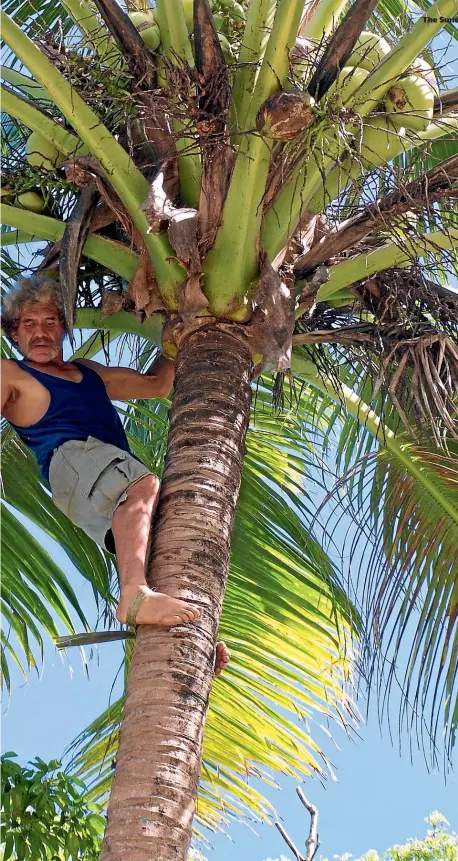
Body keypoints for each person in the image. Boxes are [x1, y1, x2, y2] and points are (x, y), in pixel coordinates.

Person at [1, 274, 229, 674]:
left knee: (165, 537)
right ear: (14, 334)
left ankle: (193, 635)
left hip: (99, 476)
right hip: (71, 460)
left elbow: (158, 385)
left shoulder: (87, 372)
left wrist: (188, 330)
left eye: (50, 322)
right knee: (143, 486)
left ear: (64, 327)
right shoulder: (10, 373)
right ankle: (134, 595)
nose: (40, 333)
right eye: (29, 325)